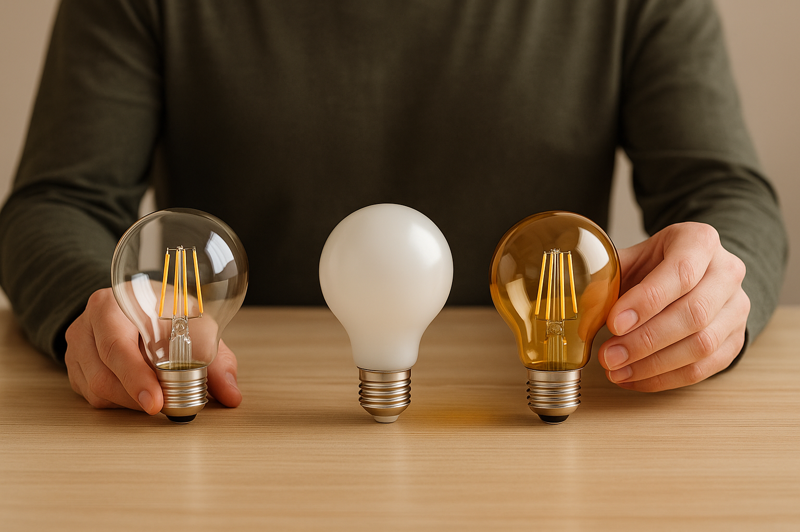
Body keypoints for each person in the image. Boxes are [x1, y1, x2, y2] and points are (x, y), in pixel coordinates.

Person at [0, 0, 787, 415]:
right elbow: (57, 200)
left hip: (529, 460)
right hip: (242, 433)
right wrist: (95, 309)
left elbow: (724, 194)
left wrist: (712, 291)